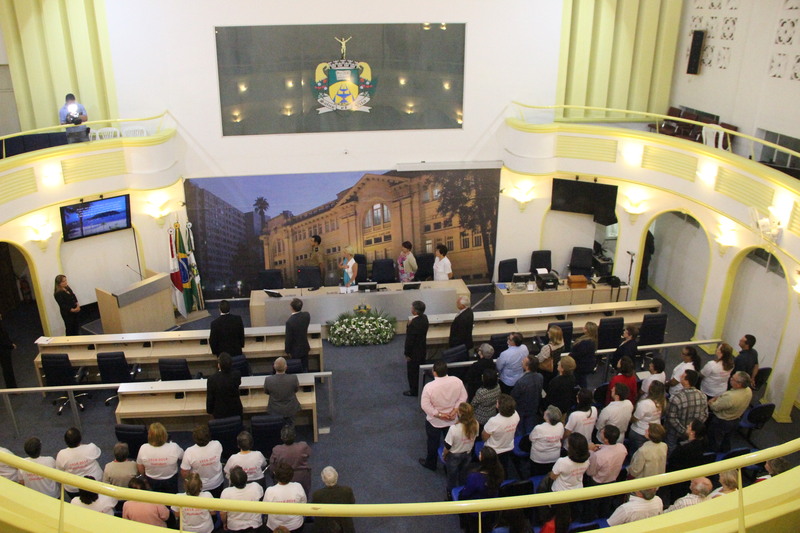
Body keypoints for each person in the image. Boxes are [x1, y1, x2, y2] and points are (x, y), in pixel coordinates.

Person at [419, 360, 468, 471]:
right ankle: (448, 466)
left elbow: (425, 405)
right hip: (452, 419)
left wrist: (440, 414)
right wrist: (455, 410)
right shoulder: (457, 381)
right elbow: (463, 397)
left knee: (433, 443)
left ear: (434, 372)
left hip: (435, 422)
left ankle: (431, 464)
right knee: (451, 443)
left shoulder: (429, 387)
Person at [584, 425, 627, 521]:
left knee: (591, 506)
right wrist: (600, 447)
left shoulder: (598, 456)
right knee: (605, 505)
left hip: (597, 483)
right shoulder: (622, 448)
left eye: (602, 433)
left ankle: (588, 521)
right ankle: (602, 519)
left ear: (606, 439)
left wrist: (590, 452)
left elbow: (590, 472)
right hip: (612, 481)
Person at [460, 446, 504, 533]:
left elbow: (466, 493)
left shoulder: (475, 477)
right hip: (491, 507)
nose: (479, 454)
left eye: (480, 454)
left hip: (475, 509)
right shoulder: (499, 471)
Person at [707, 371, 753, 452]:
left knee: (714, 439)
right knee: (727, 438)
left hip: (722, 421)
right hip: (736, 419)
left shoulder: (730, 397)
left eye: (733, 379)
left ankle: (712, 454)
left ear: (739, 384)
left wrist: (711, 401)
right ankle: (725, 451)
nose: (730, 378)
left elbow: (715, 407)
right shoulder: (748, 390)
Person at [666, 369, 709, 452]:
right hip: (693, 433)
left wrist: (684, 431)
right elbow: (705, 415)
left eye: (682, 377)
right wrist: (694, 428)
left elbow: (671, 418)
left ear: (686, 381)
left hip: (675, 433)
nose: (680, 377)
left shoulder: (676, 398)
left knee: (671, 447)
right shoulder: (703, 396)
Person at [666, 419, 708, 503]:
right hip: (690, 476)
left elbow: (672, 461)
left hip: (679, 478)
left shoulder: (683, 448)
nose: (687, 426)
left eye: (689, 426)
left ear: (692, 432)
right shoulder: (703, 444)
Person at [443, 402, 479, 496]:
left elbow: (447, 446)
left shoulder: (454, 428)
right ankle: (462, 488)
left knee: (452, 476)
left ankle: (450, 493)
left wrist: (444, 454)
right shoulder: (476, 424)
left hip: (454, 455)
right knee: (464, 472)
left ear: (460, 414)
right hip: (468, 453)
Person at [137, 422, 184, 493]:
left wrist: (145, 477)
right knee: (173, 496)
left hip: (152, 478)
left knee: (156, 497)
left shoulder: (143, 448)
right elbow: (182, 456)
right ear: (165, 435)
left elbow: (140, 467)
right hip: (171, 479)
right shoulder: (174, 447)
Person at [55, 427, 102, 499]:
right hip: (95, 483)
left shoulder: (61, 455)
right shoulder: (91, 448)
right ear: (80, 439)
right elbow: (98, 453)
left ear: (66, 442)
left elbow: (59, 470)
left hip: (73, 487)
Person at [181, 424, 225, 498]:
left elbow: (184, 472)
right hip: (216, 482)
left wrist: (191, 481)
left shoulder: (189, 452)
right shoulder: (217, 445)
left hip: (198, 486)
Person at [482, 394, 520, 477]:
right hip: (508, 446)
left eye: (497, 402)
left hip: (493, 450)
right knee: (503, 466)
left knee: (491, 470)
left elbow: (485, 436)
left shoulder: (494, 421)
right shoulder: (516, 415)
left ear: (500, 407)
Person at [270, 424, 312, 498]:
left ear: (282, 437)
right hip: (302, 477)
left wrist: (273, 476)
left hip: (283, 477)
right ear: (295, 436)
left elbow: (272, 467)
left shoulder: (277, 450)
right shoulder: (303, 446)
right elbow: (309, 454)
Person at [263, 462, 307, 533]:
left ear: (275, 475)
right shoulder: (298, 487)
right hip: (295, 526)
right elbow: (304, 504)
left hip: (275, 527)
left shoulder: (270, 491)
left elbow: (265, 510)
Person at [220, 466, 265, 533]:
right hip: (254, 525)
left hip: (235, 526)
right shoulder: (256, 487)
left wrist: (225, 523)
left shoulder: (226, 493)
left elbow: (223, 514)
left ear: (231, 481)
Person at [311, 466, 356, 533]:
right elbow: (352, 503)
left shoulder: (317, 494)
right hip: (345, 527)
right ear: (336, 477)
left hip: (324, 527)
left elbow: (314, 510)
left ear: (323, 479)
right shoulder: (347, 490)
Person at [628, 380, 666, 454]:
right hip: (654, 432)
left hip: (640, 432)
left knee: (636, 453)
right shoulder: (663, 401)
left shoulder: (645, 404)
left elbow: (635, 418)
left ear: (651, 390)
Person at [511, 355, 543, 435]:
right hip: (534, 408)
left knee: (520, 430)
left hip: (522, 409)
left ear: (527, 366)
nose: (521, 362)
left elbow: (514, 396)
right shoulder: (540, 377)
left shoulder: (521, 382)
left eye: (523, 362)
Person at [206, 352, 243, 419]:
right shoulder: (237, 375)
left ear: (219, 365)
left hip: (220, 413)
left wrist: (209, 411)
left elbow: (210, 398)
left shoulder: (212, 379)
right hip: (236, 411)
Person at [403, 300, 428, 397]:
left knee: (412, 372)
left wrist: (407, 353)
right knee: (420, 370)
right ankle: (421, 387)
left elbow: (409, 341)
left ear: (415, 311)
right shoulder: (424, 318)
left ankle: (414, 391)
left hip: (413, 353)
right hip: (422, 349)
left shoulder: (413, 324)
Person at [529, 406, 564, 476]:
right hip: (555, 457)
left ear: (548, 417)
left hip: (539, 459)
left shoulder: (539, 428)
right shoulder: (560, 425)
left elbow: (531, 438)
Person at [285, 298, 311, 372]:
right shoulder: (306, 316)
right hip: (305, 347)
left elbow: (288, 339)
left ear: (291, 308)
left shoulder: (290, 322)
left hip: (295, 351)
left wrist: (287, 351)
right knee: (305, 366)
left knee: (297, 368)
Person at [571, 321, 598, 388]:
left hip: (580, 366)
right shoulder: (593, 340)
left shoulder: (585, 343)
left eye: (585, 328)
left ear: (588, 331)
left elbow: (576, 354)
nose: (583, 328)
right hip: (586, 365)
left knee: (578, 380)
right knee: (582, 380)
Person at [0, 312, 17, 388]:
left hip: (3, 347)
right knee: (7, 369)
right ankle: (12, 388)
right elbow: (3, 337)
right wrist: (10, 345)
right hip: (3, 349)